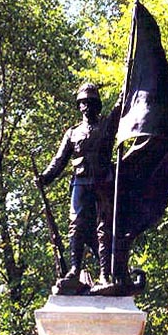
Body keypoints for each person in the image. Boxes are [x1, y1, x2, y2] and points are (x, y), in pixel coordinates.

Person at [40, 83, 122, 289]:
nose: (87, 106)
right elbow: (59, 160)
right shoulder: (72, 133)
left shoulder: (107, 125)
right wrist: (45, 178)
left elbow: (121, 106)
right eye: (83, 102)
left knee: (104, 228)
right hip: (81, 182)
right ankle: (74, 270)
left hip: (103, 183)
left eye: (91, 102)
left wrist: (126, 88)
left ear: (98, 104)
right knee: (76, 225)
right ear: (79, 106)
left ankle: (105, 275)